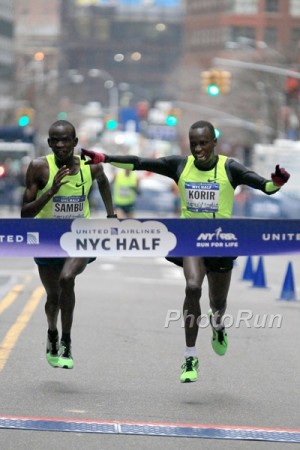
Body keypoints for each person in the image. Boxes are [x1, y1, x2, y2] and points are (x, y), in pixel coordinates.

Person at [81, 120, 290, 383]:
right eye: (194, 144)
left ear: (214, 143)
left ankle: (218, 324)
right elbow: (140, 162)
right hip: (191, 239)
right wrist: (106, 157)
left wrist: (276, 183)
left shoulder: (229, 167)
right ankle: (190, 356)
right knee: (192, 287)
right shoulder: (181, 165)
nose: (199, 149)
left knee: (218, 302)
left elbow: (263, 185)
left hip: (221, 242)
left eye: (204, 144)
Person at [21, 120, 116, 370]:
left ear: (75, 143)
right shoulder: (39, 168)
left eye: (66, 140)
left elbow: (103, 181)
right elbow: (25, 214)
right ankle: (52, 333)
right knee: (53, 297)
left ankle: (66, 341)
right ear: (49, 143)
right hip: (48, 240)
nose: (61, 145)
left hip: (79, 236)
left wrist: (111, 214)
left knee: (67, 279)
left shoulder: (89, 166)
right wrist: (51, 191)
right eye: (55, 140)